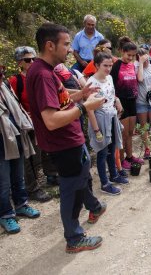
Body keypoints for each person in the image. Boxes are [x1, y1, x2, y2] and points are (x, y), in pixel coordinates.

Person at [26, 23, 106, 253]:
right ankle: (74, 238)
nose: (71, 49)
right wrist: (84, 106)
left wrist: (81, 94)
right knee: (71, 191)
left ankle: (94, 206)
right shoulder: (41, 74)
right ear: (50, 45)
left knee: (81, 177)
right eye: (66, 44)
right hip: (63, 144)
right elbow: (51, 119)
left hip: (71, 140)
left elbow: (59, 98)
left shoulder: (46, 70)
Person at [0, 64, 40, 234]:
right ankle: (6, 215)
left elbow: (16, 107)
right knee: (3, 182)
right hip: (1, 141)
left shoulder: (5, 86)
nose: (2, 74)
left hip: (16, 136)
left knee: (18, 175)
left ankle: (21, 204)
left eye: (2, 71)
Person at [9, 46, 52, 202]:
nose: (32, 62)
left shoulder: (39, 76)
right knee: (30, 157)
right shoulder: (15, 81)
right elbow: (12, 104)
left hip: (42, 121)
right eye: (28, 60)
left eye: (34, 59)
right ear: (20, 63)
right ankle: (32, 188)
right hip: (25, 125)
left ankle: (51, 175)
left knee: (43, 151)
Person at [86, 51, 127, 196]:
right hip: (99, 118)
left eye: (110, 65)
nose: (108, 68)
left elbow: (110, 94)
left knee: (112, 147)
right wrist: (96, 130)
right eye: (105, 65)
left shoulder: (109, 77)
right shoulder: (91, 83)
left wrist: (117, 100)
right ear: (96, 65)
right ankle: (104, 183)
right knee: (102, 152)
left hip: (111, 116)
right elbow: (89, 109)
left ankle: (114, 175)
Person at [110, 40, 142, 170]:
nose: (130, 58)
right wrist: (115, 101)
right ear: (122, 52)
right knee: (122, 134)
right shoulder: (116, 65)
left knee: (130, 132)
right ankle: (122, 160)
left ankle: (130, 156)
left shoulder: (133, 65)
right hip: (121, 103)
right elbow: (111, 85)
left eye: (133, 56)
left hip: (132, 101)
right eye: (128, 55)